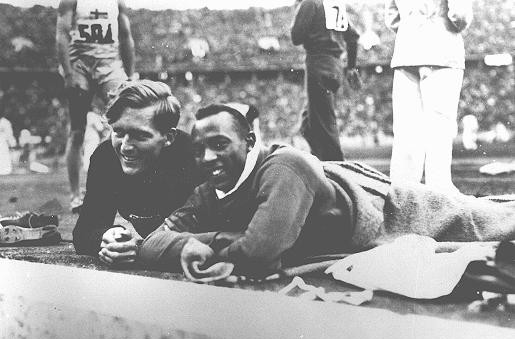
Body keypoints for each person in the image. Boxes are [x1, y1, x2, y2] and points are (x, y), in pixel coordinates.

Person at [135, 103, 515, 279]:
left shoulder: (285, 166)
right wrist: (174, 243)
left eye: (220, 144)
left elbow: (258, 254)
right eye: (199, 149)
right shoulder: (208, 189)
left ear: (249, 142)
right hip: (362, 230)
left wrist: (194, 240)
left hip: (406, 213)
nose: (207, 157)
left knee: (494, 221)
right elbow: (151, 242)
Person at [72, 80, 198, 264]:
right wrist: (108, 239)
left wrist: (146, 248)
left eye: (140, 135)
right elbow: (85, 231)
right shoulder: (105, 157)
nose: (125, 147)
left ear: (168, 137)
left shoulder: (192, 156)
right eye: (119, 132)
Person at [385, 0, 473, 192]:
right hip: (442, 49)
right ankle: (438, 189)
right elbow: (460, 15)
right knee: (439, 126)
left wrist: (412, 28)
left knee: (406, 129)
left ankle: (403, 193)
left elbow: (391, 18)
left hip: (407, 50)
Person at [56, 0, 135, 211]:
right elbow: (62, 34)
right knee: (77, 130)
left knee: (125, 125)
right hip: (80, 64)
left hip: (109, 65)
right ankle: (75, 195)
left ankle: (124, 188)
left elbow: (126, 36)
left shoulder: (117, 2)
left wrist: (130, 73)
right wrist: (68, 72)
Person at [291, 0, 362, 161]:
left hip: (318, 64)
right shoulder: (334, 4)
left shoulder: (310, 3)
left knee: (323, 125)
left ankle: (337, 169)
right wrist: (350, 67)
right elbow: (353, 37)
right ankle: (321, 162)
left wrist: (299, 10)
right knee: (307, 124)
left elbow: (296, 37)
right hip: (334, 66)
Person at [0, 111, 16, 175]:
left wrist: (12, 144)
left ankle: (4, 172)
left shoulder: (5, 122)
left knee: (3, 158)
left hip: (2, 144)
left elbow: (9, 135)